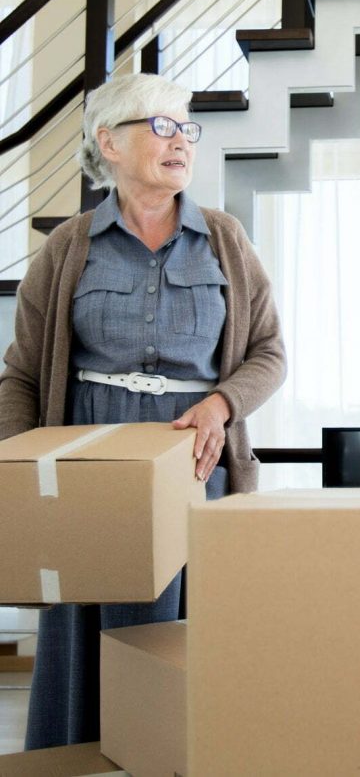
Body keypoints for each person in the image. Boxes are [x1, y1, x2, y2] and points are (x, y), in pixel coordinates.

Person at [0, 72, 287, 749]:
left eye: (186, 127)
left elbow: (269, 352)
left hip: (194, 465)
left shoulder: (224, 239)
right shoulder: (68, 246)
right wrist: (21, 471)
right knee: (87, 639)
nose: (180, 140)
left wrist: (222, 404)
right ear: (110, 143)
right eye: (160, 126)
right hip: (87, 471)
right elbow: (18, 375)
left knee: (179, 639)